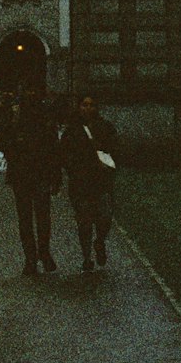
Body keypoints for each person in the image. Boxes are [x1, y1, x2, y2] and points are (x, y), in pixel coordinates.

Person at [0, 93, 62, 276]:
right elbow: (0, 142)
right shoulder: (15, 115)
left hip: (36, 173)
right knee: (31, 217)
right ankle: (33, 257)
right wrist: (15, 143)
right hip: (24, 173)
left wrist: (55, 175)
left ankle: (40, 253)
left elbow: (54, 147)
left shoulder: (43, 115)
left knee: (38, 217)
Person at [60, 94, 118, 273]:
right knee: (84, 222)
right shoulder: (72, 130)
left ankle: (99, 241)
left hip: (101, 181)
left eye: (91, 105)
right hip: (80, 182)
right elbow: (64, 153)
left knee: (105, 218)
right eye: (84, 105)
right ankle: (86, 257)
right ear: (79, 107)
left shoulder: (106, 127)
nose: (87, 108)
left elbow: (115, 148)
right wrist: (74, 167)